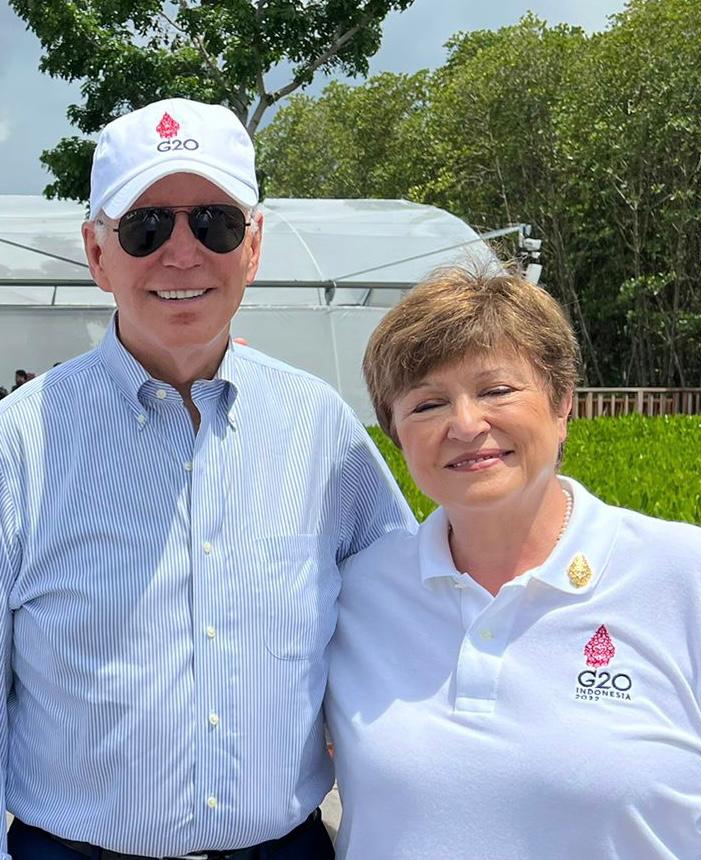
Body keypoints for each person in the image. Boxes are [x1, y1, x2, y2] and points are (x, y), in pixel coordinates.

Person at [0, 98, 414, 860]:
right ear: (97, 255)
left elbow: (405, 619)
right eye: (145, 227)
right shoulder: (17, 444)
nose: (182, 254)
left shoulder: (319, 429)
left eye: (215, 223)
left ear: (253, 247)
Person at [325, 263, 701, 859]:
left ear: (562, 405)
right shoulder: (357, 595)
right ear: (395, 433)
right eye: (427, 404)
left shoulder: (699, 585)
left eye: (497, 390)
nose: (467, 424)